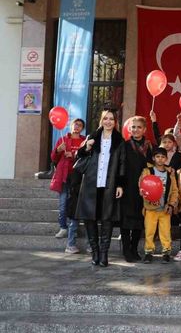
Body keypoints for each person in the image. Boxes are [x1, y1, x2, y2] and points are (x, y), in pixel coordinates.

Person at [75, 109, 126, 267]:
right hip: (91, 182)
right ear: (101, 121)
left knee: (107, 219)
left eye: (111, 119)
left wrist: (120, 184)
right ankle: (95, 252)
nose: (108, 122)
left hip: (109, 184)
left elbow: (122, 163)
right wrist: (87, 147)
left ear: (115, 122)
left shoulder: (119, 140)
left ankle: (104, 254)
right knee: (90, 218)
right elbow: (79, 155)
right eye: (105, 118)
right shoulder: (93, 136)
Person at [120, 116, 153, 263]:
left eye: (139, 127)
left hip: (144, 188)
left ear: (144, 129)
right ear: (129, 129)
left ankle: (134, 248)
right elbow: (120, 166)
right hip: (128, 187)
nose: (136, 130)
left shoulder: (149, 146)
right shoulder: (125, 145)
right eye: (133, 127)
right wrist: (120, 184)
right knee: (126, 220)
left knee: (140, 220)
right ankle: (126, 250)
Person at [50, 118, 86, 254]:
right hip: (64, 176)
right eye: (75, 124)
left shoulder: (83, 141)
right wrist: (58, 150)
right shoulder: (62, 139)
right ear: (71, 126)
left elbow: (86, 157)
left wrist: (74, 155)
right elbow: (54, 158)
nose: (77, 127)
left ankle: (72, 228)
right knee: (63, 204)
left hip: (77, 178)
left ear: (82, 128)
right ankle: (63, 227)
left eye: (80, 125)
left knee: (73, 206)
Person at [140, 147, 178, 264]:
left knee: (165, 232)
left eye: (163, 157)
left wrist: (171, 205)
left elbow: (175, 191)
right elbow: (142, 185)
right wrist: (146, 195)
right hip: (150, 208)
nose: (160, 159)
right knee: (149, 231)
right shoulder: (148, 171)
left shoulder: (169, 173)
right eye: (158, 157)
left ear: (166, 159)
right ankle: (148, 252)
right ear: (153, 158)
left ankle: (166, 252)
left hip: (164, 209)